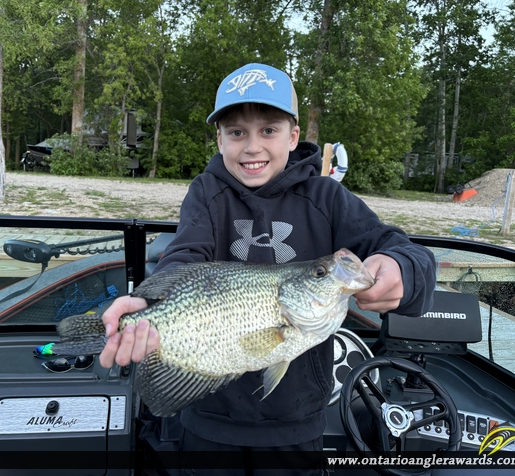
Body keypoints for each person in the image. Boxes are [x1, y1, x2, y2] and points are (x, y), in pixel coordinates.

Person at [99, 62, 436, 474]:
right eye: (236, 132)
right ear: (219, 138)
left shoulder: (328, 198)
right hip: (206, 418)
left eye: (269, 130)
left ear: (293, 137)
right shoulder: (207, 192)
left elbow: (401, 248)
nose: (252, 146)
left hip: (297, 424)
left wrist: (402, 268)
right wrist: (147, 304)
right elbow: (185, 256)